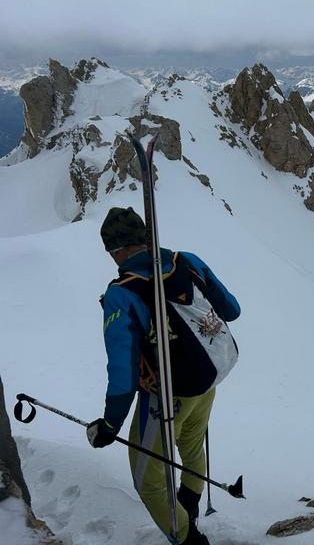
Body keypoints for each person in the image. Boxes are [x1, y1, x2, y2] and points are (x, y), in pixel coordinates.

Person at [87, 207, 241, 545]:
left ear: (117, 249)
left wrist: (110, 426)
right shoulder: (186, 260)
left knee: (147, 477)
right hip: (208, 378)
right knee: (191, 446)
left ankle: (187, 539)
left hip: (168, 394)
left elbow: (123, 372)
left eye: (111, 252)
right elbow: (231, 310)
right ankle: (189, 506)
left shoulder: (121, 293)